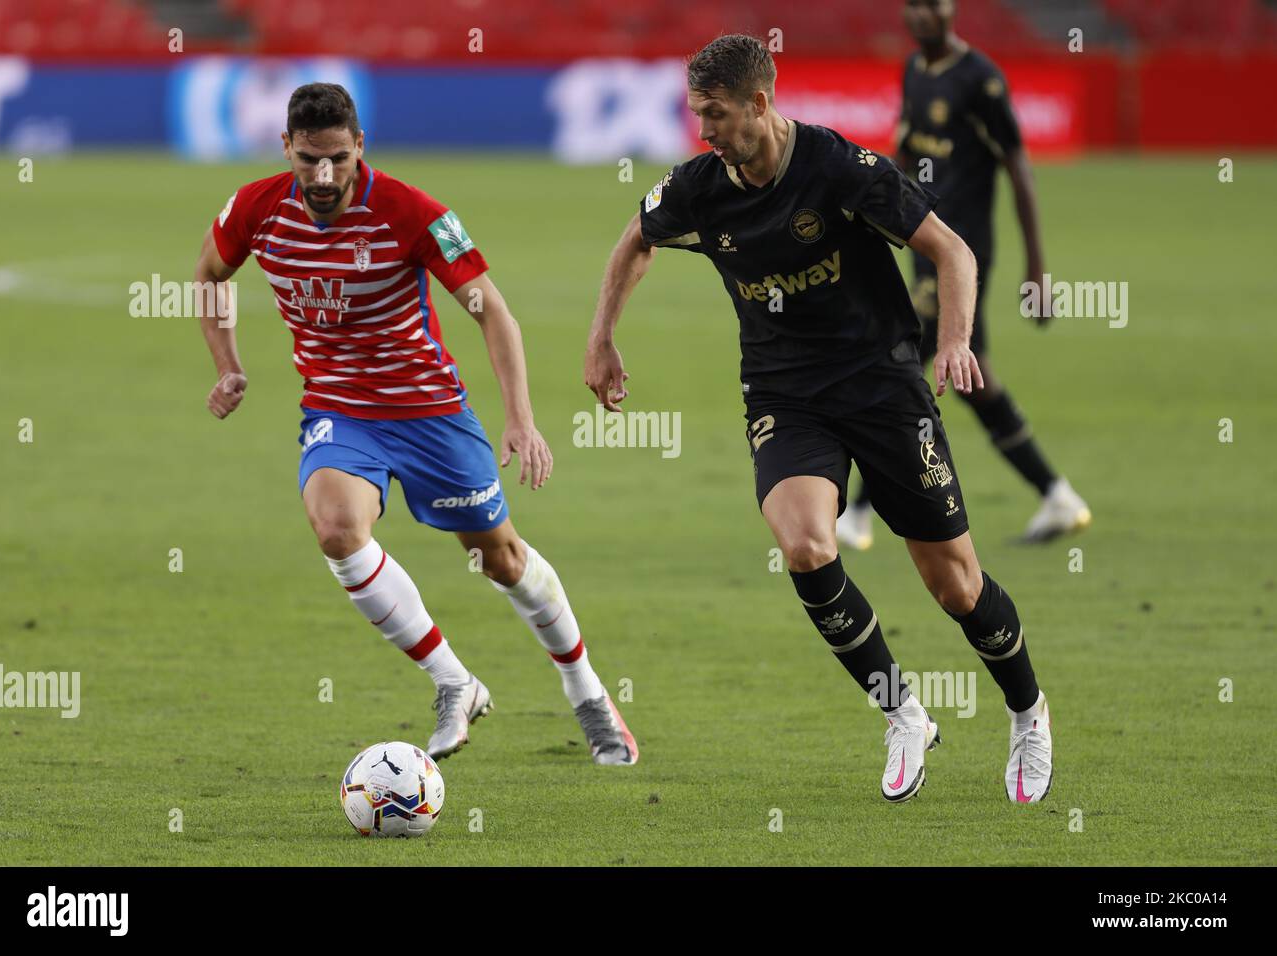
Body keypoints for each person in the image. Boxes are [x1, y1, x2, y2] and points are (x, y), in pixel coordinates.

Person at [584, 36, 1050, 802]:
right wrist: (602, 338)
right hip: (784, 393)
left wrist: (957, 341)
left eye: (716, 114)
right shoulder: (701, 187)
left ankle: (1028, 710)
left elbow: (953, 252)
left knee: (955, 585)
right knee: (804, 546)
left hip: (883, 386)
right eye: (695, 114)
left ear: (760, 103)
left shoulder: (841, 169)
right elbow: (636, 240)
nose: (703, 131)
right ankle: (903, 713)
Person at [195, 83, 637, 766]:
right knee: (338, 529)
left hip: (430, 411)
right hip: (340, 412)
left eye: (337, 159)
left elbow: (492, 311)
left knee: (503, 559)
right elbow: (210, 274)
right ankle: (454, 681)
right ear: (285, 147)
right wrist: (227, 363)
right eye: (308, 158)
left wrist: (520, 418)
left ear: (360, 147)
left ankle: (587, 693)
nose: (322, 176)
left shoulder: (411, 212)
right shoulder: (254, 209)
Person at [838, 0, 1091, 550]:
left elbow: (1018, 167)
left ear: (952, 10)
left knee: (900, 357)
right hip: (919, 239)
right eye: (912, 6)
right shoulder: (914, 71)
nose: (920, 15)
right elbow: (905, 153)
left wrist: (1038, 269)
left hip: (961, 254)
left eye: (931, 5)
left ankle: (857, 511)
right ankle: (1056, 494)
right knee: (974, 381)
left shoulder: (981, 80)